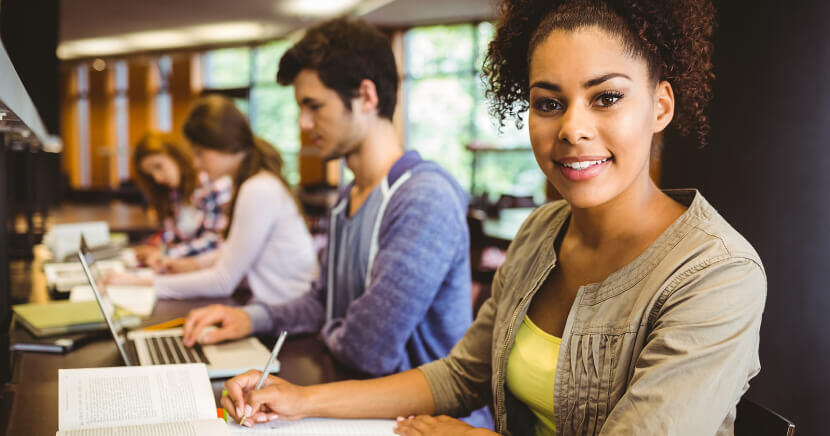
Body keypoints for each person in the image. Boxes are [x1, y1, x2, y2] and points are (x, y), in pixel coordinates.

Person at [219, 1, 766, 435]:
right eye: (549, 103)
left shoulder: (716, 273)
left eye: (607, 98)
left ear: (661, 107)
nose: (572, 128)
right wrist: (299, 399)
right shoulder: (539, 233)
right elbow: (460, 375)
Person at [181, 19, 490, 425]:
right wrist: (249, 317)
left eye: (314, 106)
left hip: (427, 423)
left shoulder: (422, 197)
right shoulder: (348, 197)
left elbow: (368, 350)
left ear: (366, 96)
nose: (303, 125)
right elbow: (321, 303)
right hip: (360, 407)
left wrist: (331, 325)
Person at [109, 95, 318, 307]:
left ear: (222, 144)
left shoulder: (258, 189)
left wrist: (143, 283)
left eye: (200, 153)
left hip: (287, 316)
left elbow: (223, 282)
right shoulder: (255, 183)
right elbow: (234, 252)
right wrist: (191, 265)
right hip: (275, 308)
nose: (197, 164)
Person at [131, 131, 232, 271]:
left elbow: (215, 243)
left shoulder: (212, 184)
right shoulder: (175, 193)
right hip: (185, 273)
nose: (158, 178)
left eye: (158, 166)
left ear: (176, 156)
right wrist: (157, 250)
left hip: (211, 274)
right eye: (151, 175)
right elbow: (176, 237)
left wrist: (166, 253)